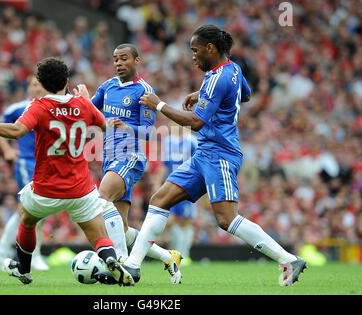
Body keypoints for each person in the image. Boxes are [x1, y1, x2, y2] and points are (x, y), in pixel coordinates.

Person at [124, 25, 307, 286]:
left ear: (210, 48)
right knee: (160, 199)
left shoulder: (218, 77)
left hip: (220, 154)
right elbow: (246, 94)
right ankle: (133, 266)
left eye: (195, 50)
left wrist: (159, 104)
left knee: (226, 219)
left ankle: (287, 259)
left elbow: (197, 122)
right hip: (205, 153)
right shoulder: (233, 69)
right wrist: (205, 95)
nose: (193, 56)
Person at [0, 57, 134, 286]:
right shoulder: (82, 104)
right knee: (98, 234)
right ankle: (112, 262)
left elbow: (16, 130)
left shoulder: (39, 105)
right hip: (80, 189)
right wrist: (87, 101)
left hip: (46, 189)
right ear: (67, 80)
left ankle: (24, 269)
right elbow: (104, 125)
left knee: (27, 219)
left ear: (40, 82)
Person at [75, 43, 182, 284]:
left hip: (130, 157)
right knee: (121, 228)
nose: (119, 63)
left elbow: (149, 132)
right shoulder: (108, 86)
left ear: (137, 61)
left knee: (102, 199)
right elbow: (90, 113)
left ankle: (122, 263)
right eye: (115, 59)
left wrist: (126, 127)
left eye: (124, 58)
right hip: (109, 158)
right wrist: (81, 101)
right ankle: (169, 257)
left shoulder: (143, 90)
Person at [0, 76, 49, 272]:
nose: (34, 88)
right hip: (26, 162)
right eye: (31, 84)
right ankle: (35, 255)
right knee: (34, 208)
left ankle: (0, 250)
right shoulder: (18, 108)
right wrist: (6, 150)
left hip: (44, 165)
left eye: (38, 85)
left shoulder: (50, 108)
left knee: (30, 210)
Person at [159, 124, 198, 265]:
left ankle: (183, 255)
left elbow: (199, 163)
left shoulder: (193, 141)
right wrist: (159, 184)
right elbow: (164, 165)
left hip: (188, 183)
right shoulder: (168, 141)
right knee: (171, 221)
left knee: (185, 220)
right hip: (171, 184)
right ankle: (177, 254)